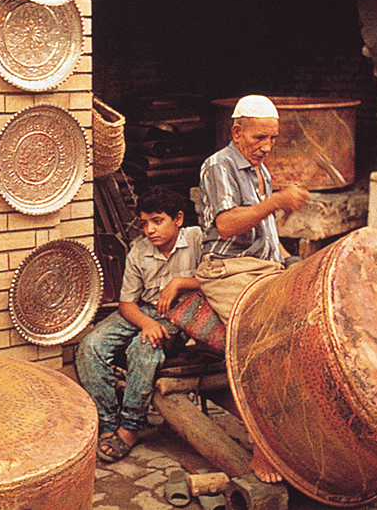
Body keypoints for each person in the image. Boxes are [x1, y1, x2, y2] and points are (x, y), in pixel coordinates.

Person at [197, 94, 310, 482]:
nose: (267, 146)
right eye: (260, 137)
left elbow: (266, 230)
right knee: (264, 341)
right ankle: (263, 449)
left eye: (273, 139)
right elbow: (227, 225)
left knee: (311, 325)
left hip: (263, 266)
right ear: (236, 131)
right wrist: (277, 201)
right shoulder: (218, 166)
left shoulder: (260, 171)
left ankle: (303, 432)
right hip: (228, 270)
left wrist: (289, 260)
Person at [76, 186, 202, 463]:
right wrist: (146, 322)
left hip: (179, 314)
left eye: (158, 221)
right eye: (145, 223)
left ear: (178, 219)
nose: (150, 230)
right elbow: (127, 304)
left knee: (143, 349)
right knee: (90, 346)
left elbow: (214, 278)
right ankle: (109, 423)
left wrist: (180, 282)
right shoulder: (138, 251)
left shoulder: (196, 240)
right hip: (142, 310)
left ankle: (131, 426)